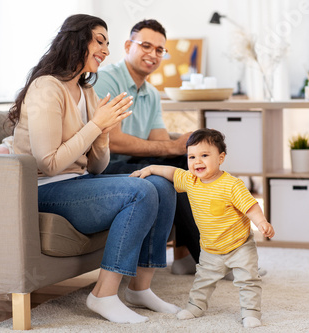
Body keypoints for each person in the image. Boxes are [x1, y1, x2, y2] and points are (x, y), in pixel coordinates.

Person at [7, 14, 180, 324]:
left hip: (77, 182)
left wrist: (101, 133)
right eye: (99, 41)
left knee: (162, 184)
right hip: (43, 188)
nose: (105, 50)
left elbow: (97, 168)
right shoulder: (47, 87)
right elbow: (49, 162)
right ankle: (103, 294)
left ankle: (140, 288)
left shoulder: (86, 91)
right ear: (76, 41)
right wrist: (96, 124)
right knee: (139, 191)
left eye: (107, 43)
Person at [130, 128, 275, 328]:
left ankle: (251, 312)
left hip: (239, 245)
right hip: (210, 248)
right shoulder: (191, 180)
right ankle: (196, 306)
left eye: (205, 155)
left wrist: (261, 222)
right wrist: (152, 168)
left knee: (248, 280)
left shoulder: (232, 185)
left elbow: (250, 206)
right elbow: (172, 172)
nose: (197, 161)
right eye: (192, 156)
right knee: (203, 281)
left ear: (221, 158)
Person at [93, 19, 200, 274]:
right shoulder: (106, 81)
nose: (153, 54)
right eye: (146, 46)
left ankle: (191, 256)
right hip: (104, 166)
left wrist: (183, 147)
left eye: (159, 50)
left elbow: (161, 141)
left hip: (132, 164)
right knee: (175, 165)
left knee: (189, 163)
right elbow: (113, 140)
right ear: (128, 45)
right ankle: (208, 257)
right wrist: (171, 148)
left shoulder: (151, 93)